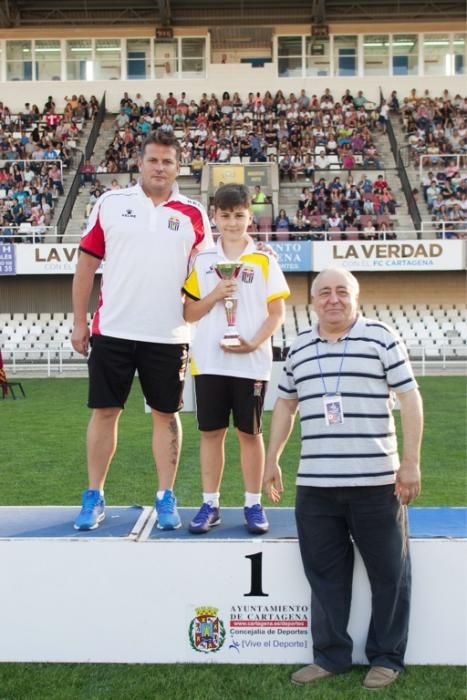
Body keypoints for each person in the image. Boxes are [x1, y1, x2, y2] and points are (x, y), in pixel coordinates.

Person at [263, 267, 423, 691]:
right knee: (324, 576)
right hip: (315, 487)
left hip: (376, 483)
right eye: (323, 293)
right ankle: (331, 656)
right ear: (311, 300)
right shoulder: (298, 348)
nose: (333, 299)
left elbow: (409, 397)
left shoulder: (381, 337)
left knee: (389, 574)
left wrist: (410, 461)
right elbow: (284, 406)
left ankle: (386, 658)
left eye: (341, 292)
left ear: (357, 297)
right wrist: (272, 459)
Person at [71, 129, 213, 531]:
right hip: (113, 329)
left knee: (166, 415)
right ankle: (94, 495)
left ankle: (165, 496)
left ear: (178, 167)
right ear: (140, 162)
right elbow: (85, 266)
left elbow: (205, 272)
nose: (160, 167)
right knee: (105, 412)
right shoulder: (111, 203)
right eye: (153, 160)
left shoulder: (193, 214)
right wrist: (80, 321)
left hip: (169, 334)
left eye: (168, 161)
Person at [182, 184, 289, 535]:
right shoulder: (203, 261)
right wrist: (214, 294)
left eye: (239, 215)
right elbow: (189, 313)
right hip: (210, 362)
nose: (232, 222)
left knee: (249, 433)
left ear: (250, 218)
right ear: (214, 217)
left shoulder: (264, 259)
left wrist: (253, 343)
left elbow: (277, 314)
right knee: (211, 434)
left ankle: (252, 503)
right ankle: (210, 503)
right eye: (225, 215)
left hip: (251, 362)